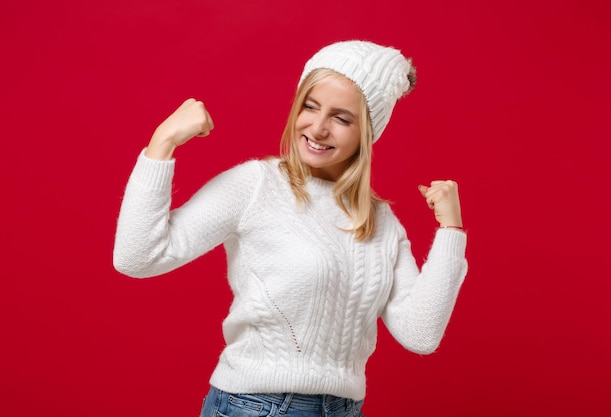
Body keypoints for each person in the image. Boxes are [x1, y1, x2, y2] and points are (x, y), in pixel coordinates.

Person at [113, 40, 468, 417]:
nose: (317, 128)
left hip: (345, 409)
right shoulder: (255, 186)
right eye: (309, 107)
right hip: (255, 406)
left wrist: (451, 230)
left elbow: (420, 334)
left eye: (342, 118)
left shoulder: (380, 223)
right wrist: (162, 143)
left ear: (367, 132)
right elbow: (137, 257)